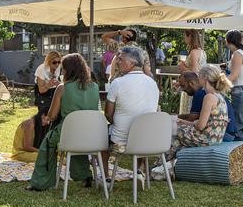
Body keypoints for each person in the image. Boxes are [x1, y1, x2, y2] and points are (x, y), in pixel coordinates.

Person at [27, 53, 100, 191]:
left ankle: (41, 183)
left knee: (47, 144)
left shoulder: (63, 88)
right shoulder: (95, 87)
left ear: (67, 69)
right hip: (91, 133)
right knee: (77, 143)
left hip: (68, 131)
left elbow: (52, 115)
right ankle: (84, 175)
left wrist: (48, 117)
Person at [102, 46, 159, 174]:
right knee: (142, 131)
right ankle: (139, 170)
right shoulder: (152, 83)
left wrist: (116, 121)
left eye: (121, 59)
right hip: (146, 140)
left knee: (99, 136)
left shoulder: (117, 83)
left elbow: (108, 114)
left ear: (132, 63)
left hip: (120, 140)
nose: (117, 62)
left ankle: (105, 176)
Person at [169, 65, 232, 159]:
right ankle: (170, 166)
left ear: (204, 78)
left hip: (205, 139)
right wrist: (183, 121)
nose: (197, 78)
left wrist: (183, 123)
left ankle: (162, 167)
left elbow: (200, 126)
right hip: (216, 138)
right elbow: (207, 123)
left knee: (170, 130)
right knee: (177, 137)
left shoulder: (209, 97)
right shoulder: (219, 96)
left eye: (199, 75)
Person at [177, 29, 207, 114]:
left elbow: (194, 72)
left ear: (190, 36)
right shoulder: (202, 52)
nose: (184, 38)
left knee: (188, 111)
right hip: (198, 85)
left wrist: (183, 67)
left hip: (190, 86)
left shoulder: (194, 52)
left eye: (185, 36)